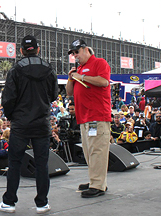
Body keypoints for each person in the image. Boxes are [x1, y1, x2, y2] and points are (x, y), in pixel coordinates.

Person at [0, 35, 57, 214]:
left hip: (21, 124)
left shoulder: (15, 70)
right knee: (42, 164)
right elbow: (53, 95)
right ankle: (42, 203)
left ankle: (9, 203)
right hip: (42, 124)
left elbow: (8, 99)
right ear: (38, 50)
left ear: (21, 51)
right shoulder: (49, 69)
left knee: (14, 163)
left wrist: (12, 116)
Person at [66, 39, 111, 198]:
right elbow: (69, 92)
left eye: (76, 52)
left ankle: (98, 185)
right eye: (73, 53)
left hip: (97, 116)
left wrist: (82, 77)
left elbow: (104, 81)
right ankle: (95, 181)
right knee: (88, 150)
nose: (75, 56)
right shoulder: (80, 68)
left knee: (97, 150)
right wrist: (72, 77)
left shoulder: (99, 63)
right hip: (84, 118)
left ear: (86, 50)